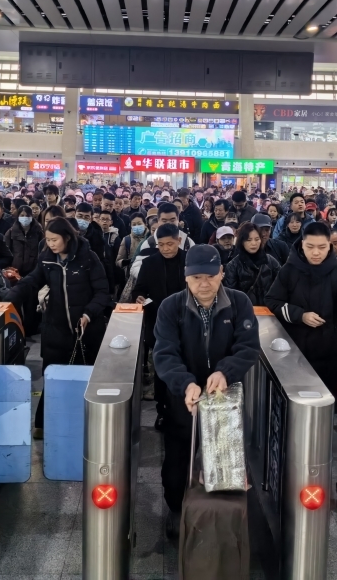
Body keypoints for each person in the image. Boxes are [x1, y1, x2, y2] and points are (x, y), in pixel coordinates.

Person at [153, 244, 260, 535]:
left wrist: (225, 372)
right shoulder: (171, 307)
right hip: (183, 401)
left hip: (224, 402)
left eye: (210, 276)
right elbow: (165, 353)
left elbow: (248, 347)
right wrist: (185, 383)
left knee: (224, 463)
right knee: (177, 465)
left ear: (221, 273)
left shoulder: (238, 303)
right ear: (186, 277)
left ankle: (221, 522)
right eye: (197, 277)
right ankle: (177, 510)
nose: (204, 283)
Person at [5, 217, 111, 439]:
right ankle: (43, 424)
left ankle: (84, 425)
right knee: (52, 377)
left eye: (55, 239)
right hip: (55, 329)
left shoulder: (88, 258)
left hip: (85, 332)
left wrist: (88, 313)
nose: (51, 244)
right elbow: (32, 281)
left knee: (82, 377)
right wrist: (9, 297)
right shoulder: (47, 259)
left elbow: (102, 292)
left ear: (67, 237)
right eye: (48, 240)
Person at [265, 221, 337, 394]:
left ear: (329, 246)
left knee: (327, 398)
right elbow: (272, 301)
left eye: (322, 247)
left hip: (329, 350)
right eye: (310, 247)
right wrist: (300, 315)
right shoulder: (289, 270)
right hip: (295, 350)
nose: (316, 252)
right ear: (302, 244)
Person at [132, 224, 188, 408]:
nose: (165, 249)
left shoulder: (188, 261)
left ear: (179, 241)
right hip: (158, 321)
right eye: (161, 245)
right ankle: (162, 408)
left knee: (184, 364)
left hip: (186, 322)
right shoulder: (150, 263)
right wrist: (139, 297)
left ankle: (182, 405)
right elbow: (139, 289)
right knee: (163, 366)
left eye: (170, 244)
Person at [129, 203, 194, 278]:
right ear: (158, 221)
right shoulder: (150, 243)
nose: (168, 224)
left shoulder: (187, 242)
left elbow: (196, 264)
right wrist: (154, 276)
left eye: (172, 220)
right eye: (164, 221)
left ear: (178, 220)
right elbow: (135, 268)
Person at [224, 222, 281, 306]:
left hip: (269, 310)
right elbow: (231, 296)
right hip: (245, 310)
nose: (254, 243)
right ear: (242, 241)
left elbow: (281, 286)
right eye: (249, 240)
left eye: (257, 239)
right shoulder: (233, 266)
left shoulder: (270, 261)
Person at [4, 205, 44, 277]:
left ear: (31, 216)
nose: (25, 218)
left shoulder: (38, 232)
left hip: (33, 271)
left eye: (27, 215)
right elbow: (6, 252)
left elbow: (42, 250)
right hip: (15, 271)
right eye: (22, 215)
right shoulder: (11, 232)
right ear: (18, 216)